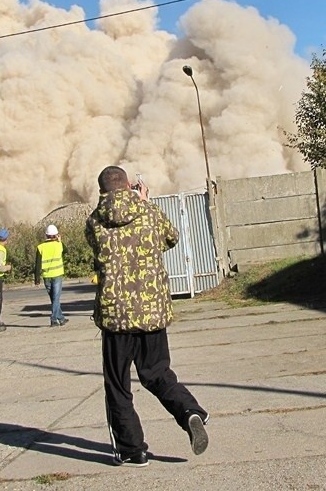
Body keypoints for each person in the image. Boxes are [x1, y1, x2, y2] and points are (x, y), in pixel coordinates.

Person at [85, 165, 209, 467]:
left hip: (115, 318)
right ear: (129, 185)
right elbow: (172, 237)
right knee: (157, 375)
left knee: (117, 385)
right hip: (150, 313)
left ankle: (132, 449)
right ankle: (188, 412)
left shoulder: (93, 223)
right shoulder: (147, 213)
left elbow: (98, 247)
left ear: (102, 191)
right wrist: (144, 202)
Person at [34, 224, 68, 327]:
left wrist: (36, 279)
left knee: (54, 299)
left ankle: (61, 318)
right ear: (56, 235)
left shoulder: (40, 247)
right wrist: (60, 240)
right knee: (56, 299)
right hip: (57, 275)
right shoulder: (59, 245)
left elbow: (38, 264)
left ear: (46, 235)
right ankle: (54, 319)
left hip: (46, 276)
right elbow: (66, 251)